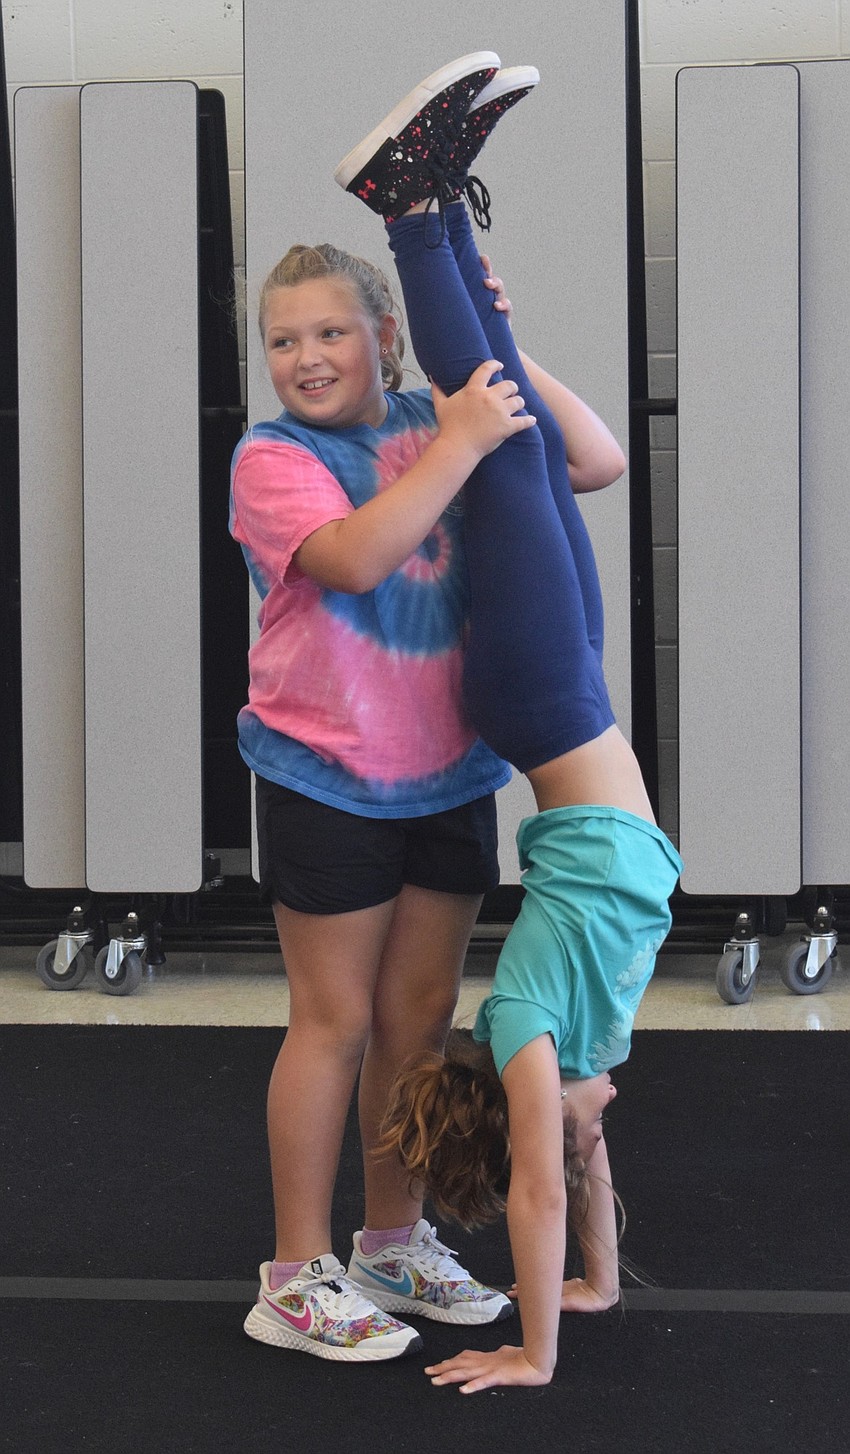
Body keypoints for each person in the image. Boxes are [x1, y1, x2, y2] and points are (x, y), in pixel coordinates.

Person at [230, 51, 591, 1365]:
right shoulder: (273, 456)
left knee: (416, 1022)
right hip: (324, 776)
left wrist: (493, 342)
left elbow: (593, 461)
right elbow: (353, 558)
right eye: (283, 340)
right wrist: (456, 439)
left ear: (385, 336)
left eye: (332, 332)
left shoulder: (435, 411)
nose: (306, 357)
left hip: (447, 774)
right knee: (331, 1023)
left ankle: (391, 1242)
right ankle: (293, 1275)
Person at [330, 56, 684, 1392]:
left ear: (522, 1109)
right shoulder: (584, 1064)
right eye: (586, 1141)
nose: (593, 1139)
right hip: (571, 702)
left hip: (540, 705)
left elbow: (540, 1185)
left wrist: (534, 1349)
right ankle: (444, 232)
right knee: (532, 442)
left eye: (571, 1134)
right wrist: (598, 1281)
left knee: (512, 446)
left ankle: (411, 213)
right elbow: (578, 1185)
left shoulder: (536, 1034)